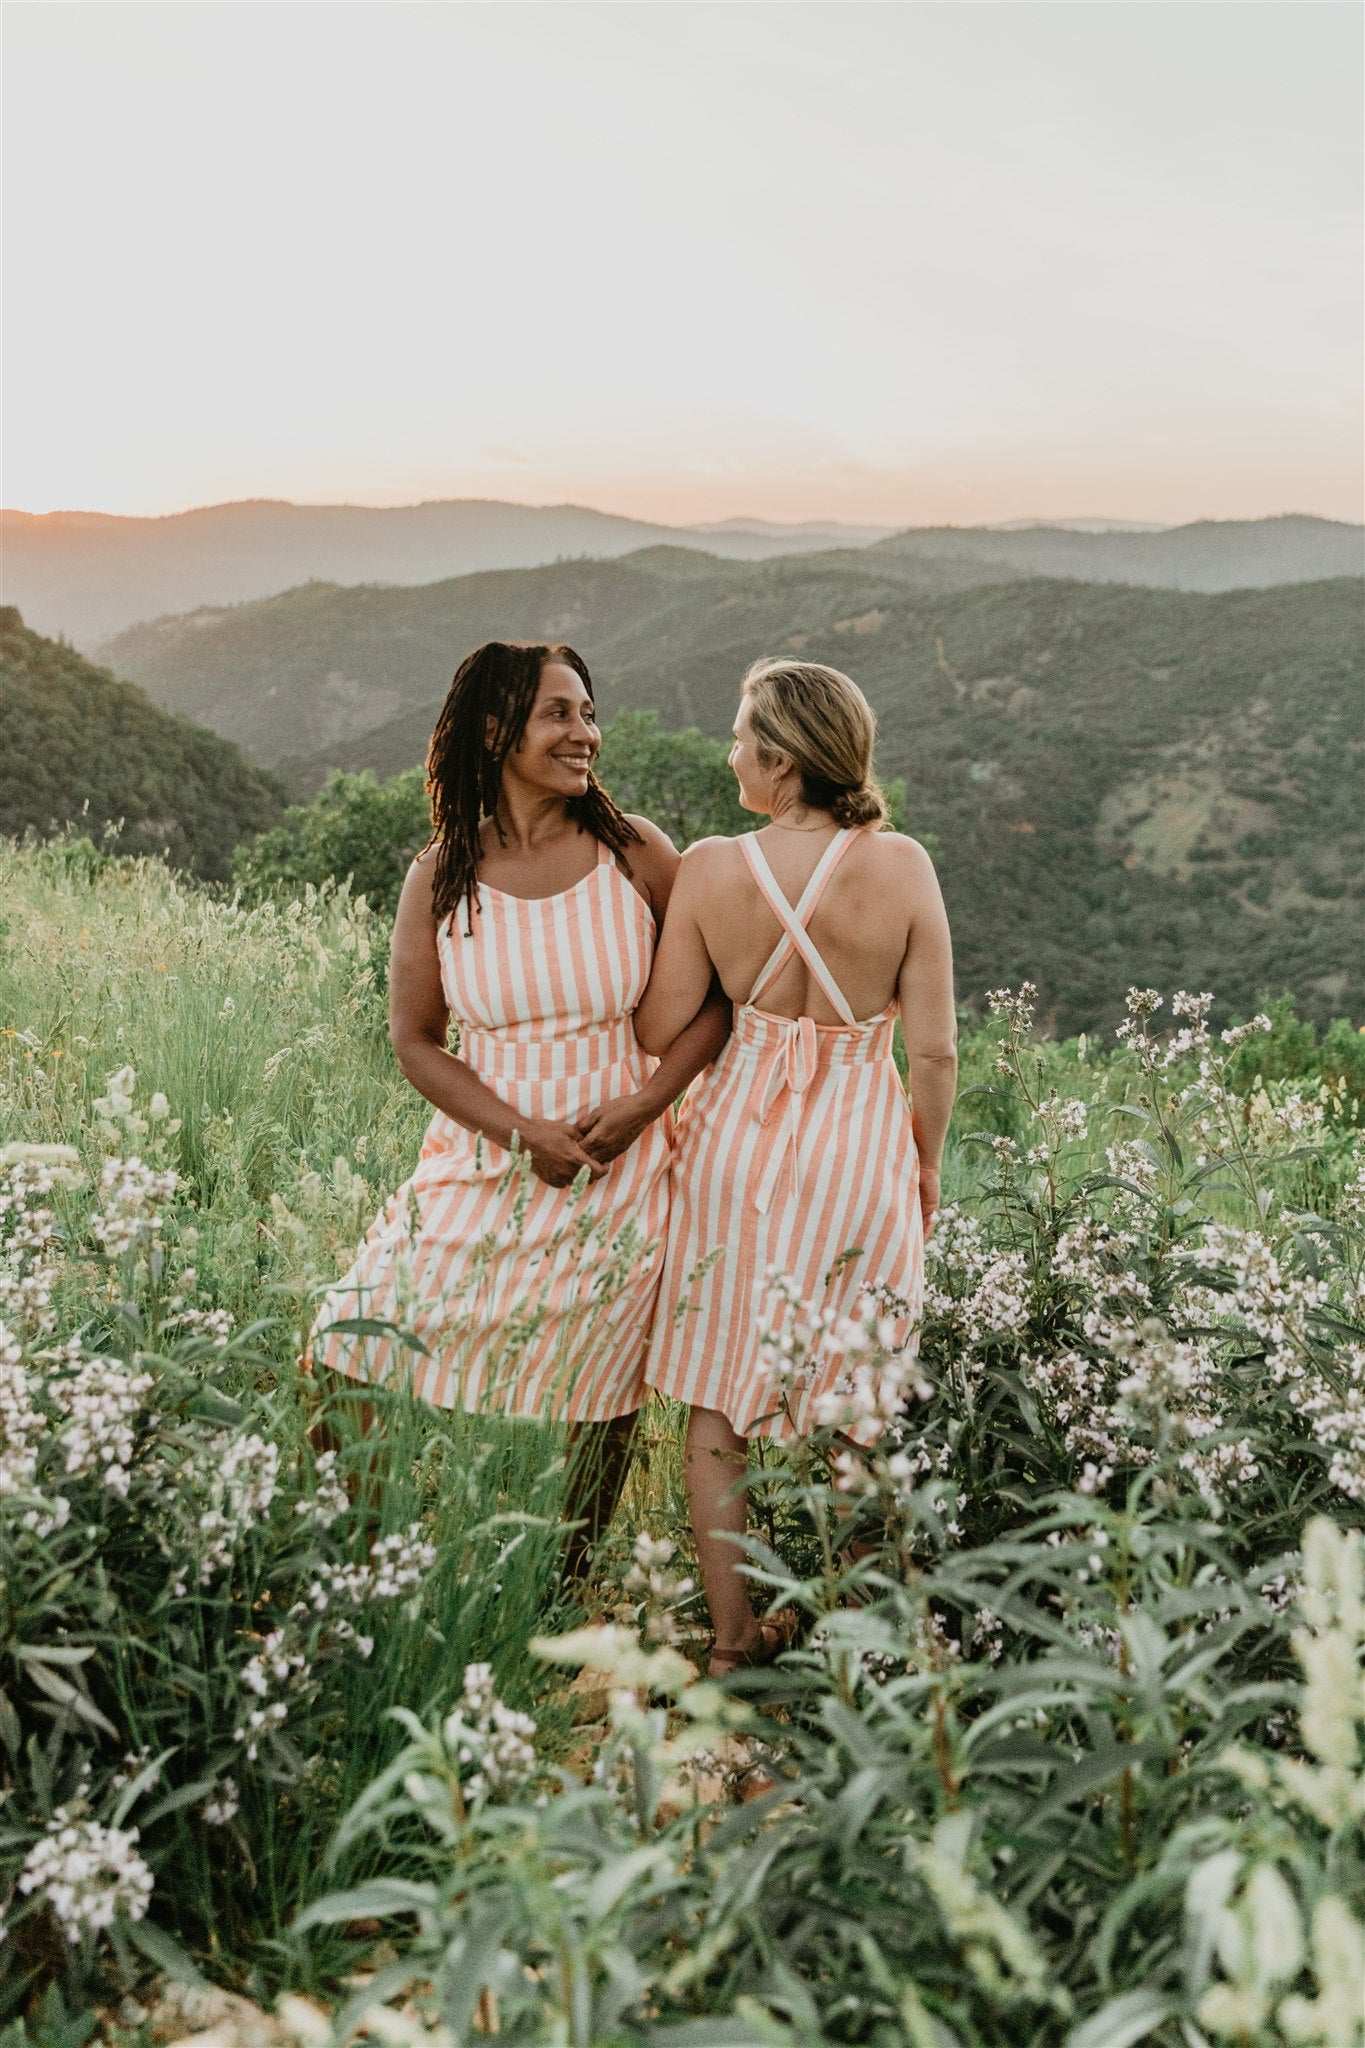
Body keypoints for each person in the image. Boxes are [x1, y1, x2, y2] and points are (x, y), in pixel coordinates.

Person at [305, 641, 729, 1571]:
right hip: (480, 1158)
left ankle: (560, 1593)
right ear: (496, 731)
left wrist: (644, 1104)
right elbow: (417, 1040)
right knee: (346, 1340)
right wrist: (519, 1132)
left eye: (588, 713)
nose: (585, 733)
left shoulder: (635, 852)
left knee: (598, 1393)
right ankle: (361, 1572)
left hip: (619, 1161)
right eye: (559, 714)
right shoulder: (441, 873)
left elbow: (717, 1000)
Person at [633, 657, 957, 1673]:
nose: (729, 752)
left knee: (716, 1398)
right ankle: (854, 1644)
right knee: (857, 1401)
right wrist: (925, 1165)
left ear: (781, 760)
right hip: (862, 1148)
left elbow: (658, 1027)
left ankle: (734, 1640)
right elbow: (935, 1053)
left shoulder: (711, 868)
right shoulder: (902, 865)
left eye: (740, 737)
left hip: (737, 1145)